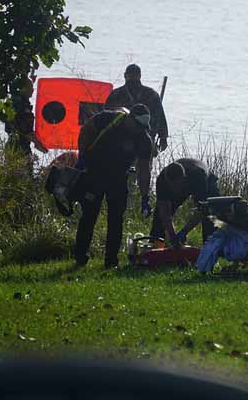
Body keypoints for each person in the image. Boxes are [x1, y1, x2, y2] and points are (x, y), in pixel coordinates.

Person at [74, 104, 153, 269]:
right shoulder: (108, 118)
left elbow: (144, 170)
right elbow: (86, 130)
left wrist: (145, 196)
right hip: (94, 173)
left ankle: (111, 261)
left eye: (143, 127)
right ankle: (81, 257)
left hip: (118, 178)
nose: (140, 130)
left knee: (116, 219)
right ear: (130, 119)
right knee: (89, 215)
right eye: (138, 126)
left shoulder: (144, 139)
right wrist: (81, 155)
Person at [150, 158, 220, 247]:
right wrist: (172, 235)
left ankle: (210, 250)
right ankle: (155, 249)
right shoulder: (162, 180)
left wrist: (184, 231)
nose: (176, 189)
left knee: (209, 215)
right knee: (159, 220)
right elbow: (165, 213)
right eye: (173, 186)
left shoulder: (198, 177)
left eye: (178, 185)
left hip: (206, 182)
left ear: (184, 178)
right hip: (183, 183)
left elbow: (201, 211)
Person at [105, 63, 169, 152]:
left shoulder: (116, 94)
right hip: (131, 141)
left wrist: (163, 137)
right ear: (140, 76)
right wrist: (163, 137)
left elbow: (105, 118)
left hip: (128, 142)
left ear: (125, 76)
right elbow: (160, 117)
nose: (132, 77)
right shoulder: (151, 94)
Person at [5, 77, 48, 158]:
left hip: (11, 146)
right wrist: (40, 146)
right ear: (22, 89)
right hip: (20, 149)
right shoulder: (21, 106)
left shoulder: (13, 102)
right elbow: (26, 132)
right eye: (30, 88)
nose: (32, 90)